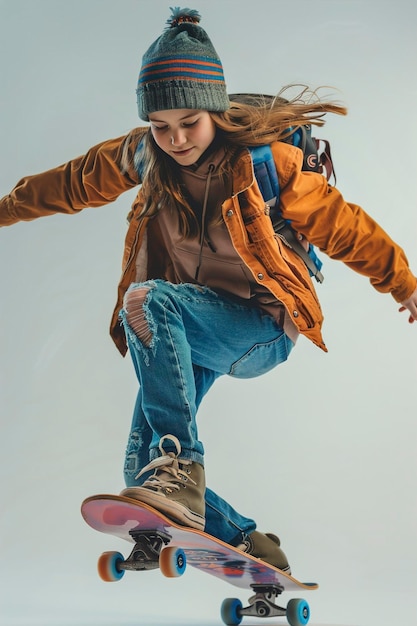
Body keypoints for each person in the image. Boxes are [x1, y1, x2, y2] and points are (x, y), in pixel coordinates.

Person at [1, 7, 416, 574]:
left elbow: (345, 227)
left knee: (146, 301)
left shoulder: (267, 165)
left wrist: (405, 284)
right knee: (140, 475)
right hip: (190, 326)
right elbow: (73, 183)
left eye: (189, 122)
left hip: (261, 328)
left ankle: (182, 463)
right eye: (161, 126)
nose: (175, 139)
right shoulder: (145, 156)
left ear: (215, 110)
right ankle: (247, 542)